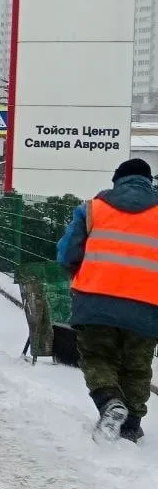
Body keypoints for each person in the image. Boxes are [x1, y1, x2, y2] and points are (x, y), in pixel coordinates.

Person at [56, 158, 158, 443]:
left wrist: (81, 276)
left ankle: (110, 402)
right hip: (148, 307)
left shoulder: (93, 208)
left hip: (96, 302)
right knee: (137, 365)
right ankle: (131, 427)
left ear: (117, 180)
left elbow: (67, 254)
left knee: (97, 356)